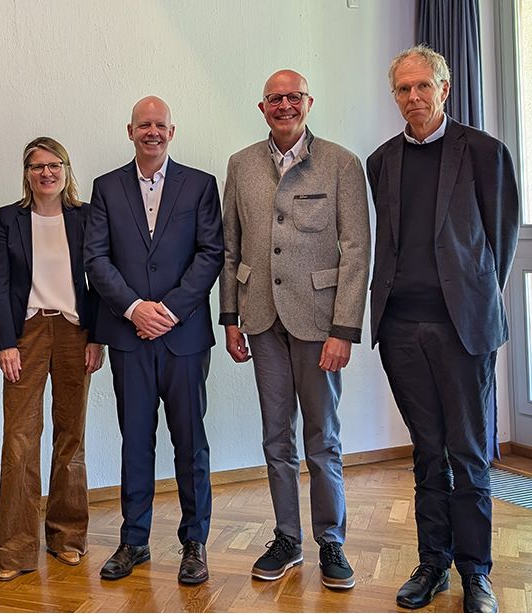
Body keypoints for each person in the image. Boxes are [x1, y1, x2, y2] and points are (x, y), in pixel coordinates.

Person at [368, 45, 519, 613]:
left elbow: (499, 243)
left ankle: (476, 573)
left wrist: (470, 297)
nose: (413, 98)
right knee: (428, 452)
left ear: (444, 89)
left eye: (422, 87)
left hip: (462, 331)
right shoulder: (380, 161)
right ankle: (432, 564)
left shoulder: (483, 152)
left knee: (471, 453)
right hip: (402, 329)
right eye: (403, 89)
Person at [219, 70, 370, 589]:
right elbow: (230, 247)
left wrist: (343, 329)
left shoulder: (341, 164)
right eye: (274, 99)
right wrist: (230, 316)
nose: (284, 105)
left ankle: (332, 541)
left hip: (319, 322)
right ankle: (287, 537)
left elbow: (356, 251)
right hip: (260, 320)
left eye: (293, 97)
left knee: (322, 438)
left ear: (308, 102)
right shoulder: (240, 165)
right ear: (263, 108)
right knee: (275, 437)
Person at [84, 96, 224, 585]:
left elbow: (211, 254)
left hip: (183, 337)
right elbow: (96, 258)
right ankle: (134, 540)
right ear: (130, 131)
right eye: (144, 124)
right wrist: (134, 309)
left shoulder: (201, 186)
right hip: (129, 337)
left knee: (190, 444)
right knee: (135, 442)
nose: (152, 131)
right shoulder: (105, 188)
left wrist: (168, 310)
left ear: (172, 130)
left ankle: (194, 544)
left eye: (160, 124)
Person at [0, 137, 104, 581]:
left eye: (54, 165)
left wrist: (97, 337)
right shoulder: (8, 219)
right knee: (19, 440)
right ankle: (15, 550)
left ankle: (67, 536)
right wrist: (6, 342)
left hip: (76, 333)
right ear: (27, 173)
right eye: (37, 166)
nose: (46, 173)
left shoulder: (86, 216)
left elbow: (99, 277)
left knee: (70, 434)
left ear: (66, 169)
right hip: (27, 332)